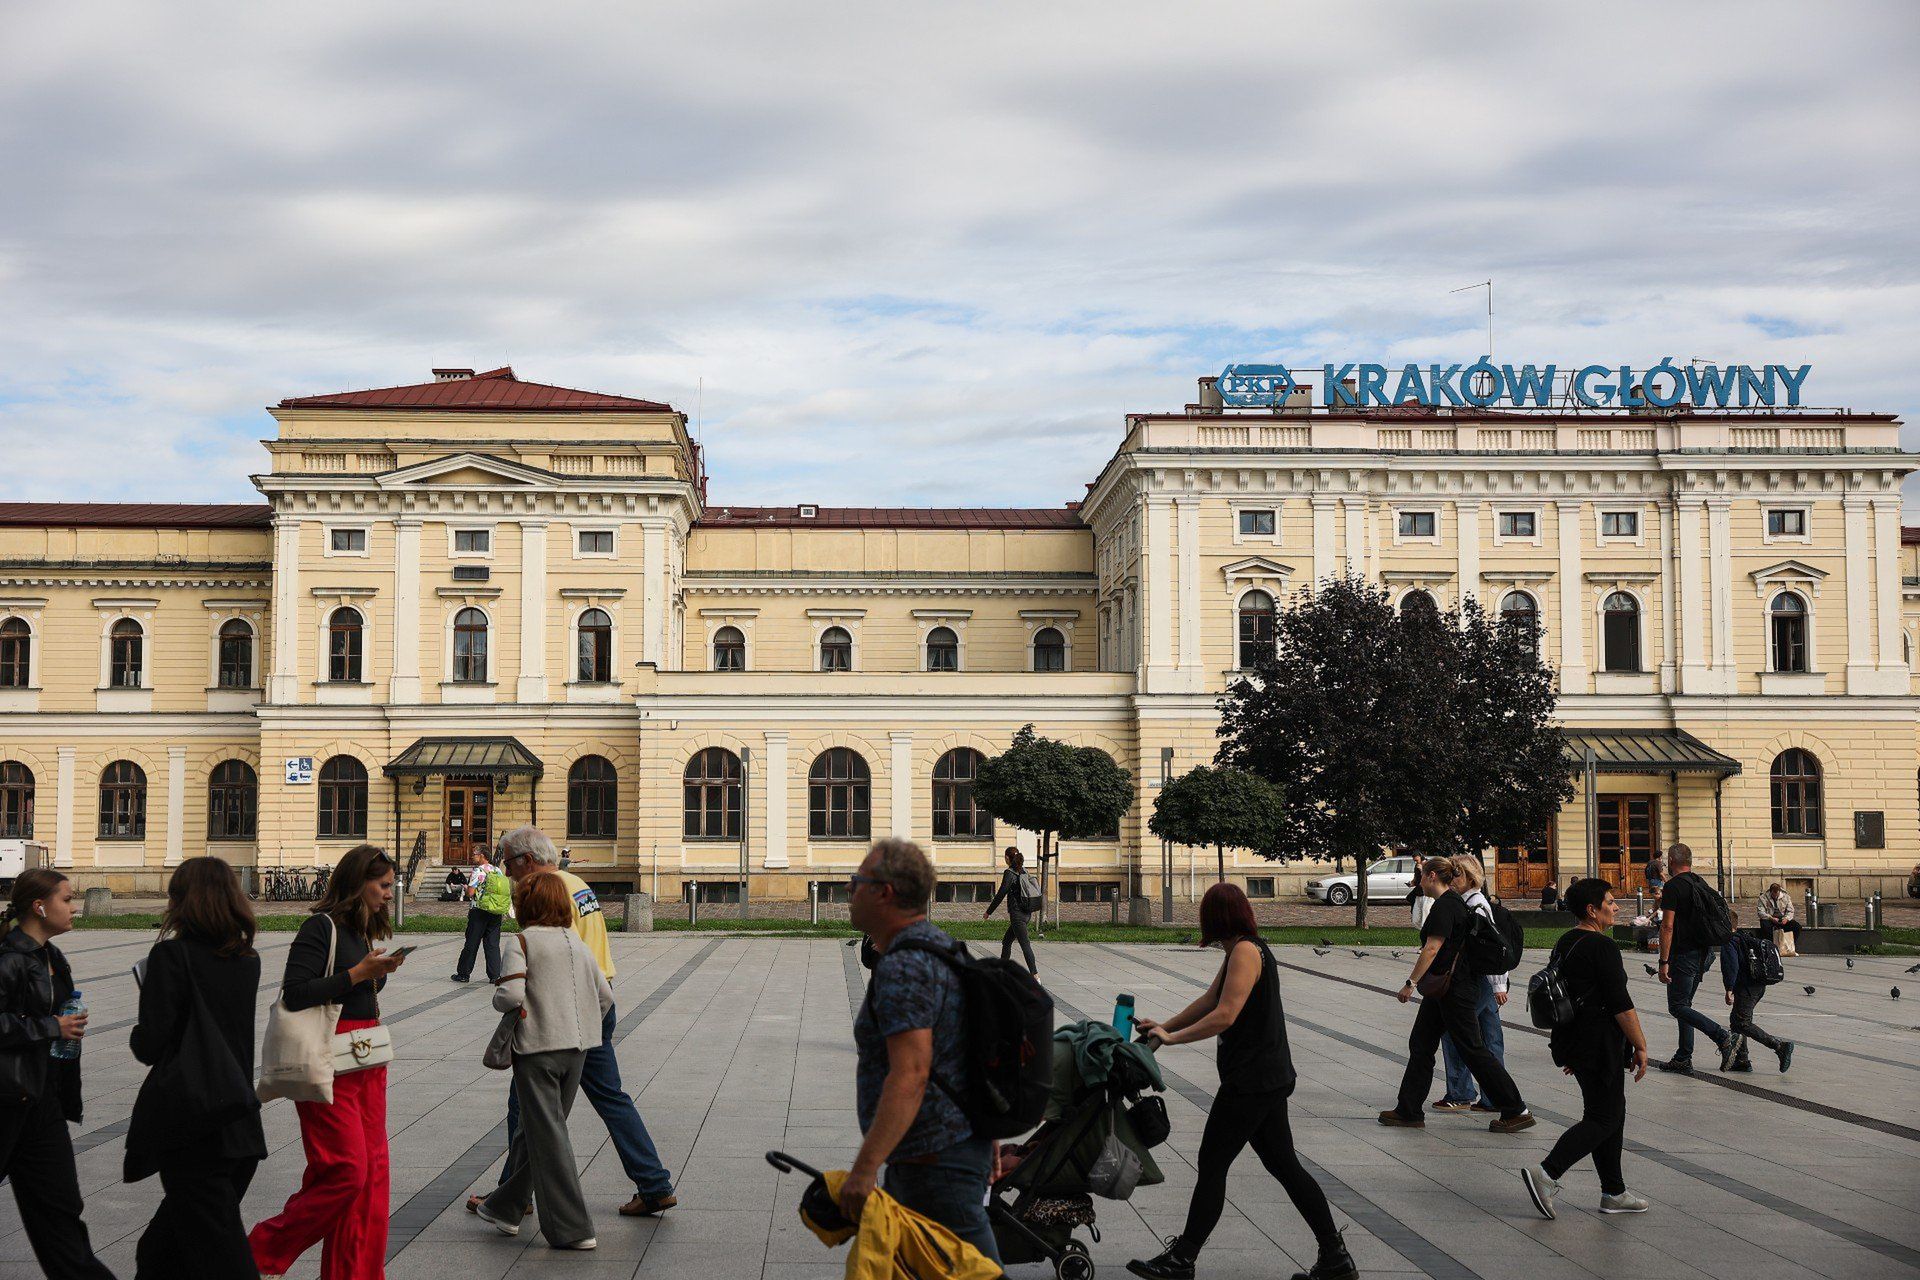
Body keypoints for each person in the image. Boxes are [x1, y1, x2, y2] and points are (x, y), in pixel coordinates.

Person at [1128, 884, 1354, 1280]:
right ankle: (1335, 1257)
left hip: (1252, 1081)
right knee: (1284, 1165)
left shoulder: (1247, 952)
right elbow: (1210, 1000)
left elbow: (1226, 1015)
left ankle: (1183, 1258)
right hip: (1263, 1077)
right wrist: (1164, 1026)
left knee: (1212, 1163)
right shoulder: (1240, 949)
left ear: (1216, 917)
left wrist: (1173, 1039)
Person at [468, 826, 677, 1219]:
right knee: (611, 1098)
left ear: (527, 861)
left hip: (565, 1008)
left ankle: (512, 1196)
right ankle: (654, 1184)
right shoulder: (577, 882)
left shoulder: (548, 889)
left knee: (525, 1104)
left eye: (509, 863)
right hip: (599, 996)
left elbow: (552, 952)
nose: (507, 872)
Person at [249, 843, 408, 1280]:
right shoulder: (320, 927)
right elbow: (297, 992)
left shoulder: (362, 932)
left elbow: (355, 994)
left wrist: (375, 975)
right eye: (383, 885)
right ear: (358, 884)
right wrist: (358, 975)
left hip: (367, 1057)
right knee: (346, 1171)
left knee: (373, 1177)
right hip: (327, 1058)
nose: (390, 894)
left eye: (392, 886)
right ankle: (259, 1251)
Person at [840, 838, 999, 1264]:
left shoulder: (905, 965)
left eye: (856, 882)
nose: (849, 891)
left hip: (936, 1159)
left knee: (976, 1271)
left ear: (884, 892)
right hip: (945, 1149)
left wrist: (864, 1168)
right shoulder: (939, 946)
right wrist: (987, 1129)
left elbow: (911, 1073)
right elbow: (965, 1048)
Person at [127, 857, 267, 1280]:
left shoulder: (171, 957)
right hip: (238, 1121)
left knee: (223, 1257)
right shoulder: (248, 959)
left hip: (192, 1126)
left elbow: (150, 1045)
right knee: (159, 1250)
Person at [475, 871, 615, 1250]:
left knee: (549, 1135)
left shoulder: (521, 942)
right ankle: (505, 1208)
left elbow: (510, 996)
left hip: (537, 1049)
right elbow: (605, 998)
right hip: (579, 1048)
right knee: (536, 1130)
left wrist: (503, 1002)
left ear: (525, 905)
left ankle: (574, 1229)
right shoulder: (577, 941)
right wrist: (581, 1022)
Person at [0, 868, 116, 1280]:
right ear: (39, 906)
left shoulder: (51, 955)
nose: (74, 907)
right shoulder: (10, 959)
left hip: (41, 1102)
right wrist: (52, 1028)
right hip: (8, 1101)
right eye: (67, 899)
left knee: (61, 1212)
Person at [1521, 878, 1652, 1219]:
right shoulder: (1602, 947)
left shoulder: (1566, 941)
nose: (1616, 906)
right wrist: (1640, 1044)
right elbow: (1621, 1005)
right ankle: (1547, 1173)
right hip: (1599, 1043)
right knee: (1603, 1117)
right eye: (1610, 901)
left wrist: (1574, 1050)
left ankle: (1614, 1191)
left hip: (1577, 1039)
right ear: (1592, 910)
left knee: (1612, 1113)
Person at [1378, 858, 1533, 1133]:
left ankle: (1516, 1108)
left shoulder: (1447, 905)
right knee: (1421, 1044)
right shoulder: (1451, 903)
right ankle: (1408, 1110)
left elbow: (1432, 948)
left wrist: (1410, 983)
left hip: (1455, 989)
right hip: (1444, 988)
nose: (1419, 881)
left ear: (1432, 876)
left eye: (1421, 875)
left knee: (1472, 1048)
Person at [1433, 855, 1509, 1116]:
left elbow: (1493, 945)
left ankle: (1460, 1092)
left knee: (1456, 1034)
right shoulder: (1476, 902)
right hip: (1487, 982)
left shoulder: (1474, 905)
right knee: (1489, 1040)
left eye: (1457, 874)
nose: (1451, 880)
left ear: (1470, 878)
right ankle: (1493, 1097)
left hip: (1479, 981)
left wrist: (1499, 985)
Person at [1653, 843, 1730, 1074]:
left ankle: (1722, 1036)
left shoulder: (1673, 887)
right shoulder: (1699, 881)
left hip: (1683, 954)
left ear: (1671, 860)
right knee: (1684, 1005)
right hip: (1704, 953)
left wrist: (1663, 962)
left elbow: (1667, 927)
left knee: (1677, 1006)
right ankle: (1683, 1057)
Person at [1720, 910, 1793, 1074]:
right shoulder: (1745, 938)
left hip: (1747, 987)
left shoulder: (1730, 941)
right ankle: (1742, 1060)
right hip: (1758, 985)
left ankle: (1779, 1046)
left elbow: (1731, 966)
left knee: (1742, 1022)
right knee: (1736, 1020)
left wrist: (1729, 989)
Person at [452, 848, 510, 983]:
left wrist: (466, 889)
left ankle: (463, 974)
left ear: (482, 856)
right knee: (493, 944)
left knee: (472, 943)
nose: (472, 857)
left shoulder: (478, 871)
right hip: (495, 911)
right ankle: (495, 975)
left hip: (479, 911)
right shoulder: (497, 870)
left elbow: (471, 893)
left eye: (474, 854)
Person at [984, 846, 1037, 976]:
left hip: (1017, 915)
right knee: (1006, 941)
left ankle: (1035, 975)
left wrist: (988, 912)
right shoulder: (1024, 871)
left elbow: (1001, 894)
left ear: (1007, 858)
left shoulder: (1010, 873)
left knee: (1025, 945)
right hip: (1027, 913)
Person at [1756, 883, 1802, 951]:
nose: (1775, 897)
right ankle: (1772, 947)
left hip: (1783, 918)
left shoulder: (1786, 897)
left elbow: (1790, 911)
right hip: (1770, 919)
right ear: (1770, 892)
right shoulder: (1763, 898)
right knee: (1765, 926)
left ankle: (1790, 946)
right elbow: (1760, 912)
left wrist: (1787, 918)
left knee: (1797, 926)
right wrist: (1771, 918)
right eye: (1773, 895)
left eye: (1777, 895)